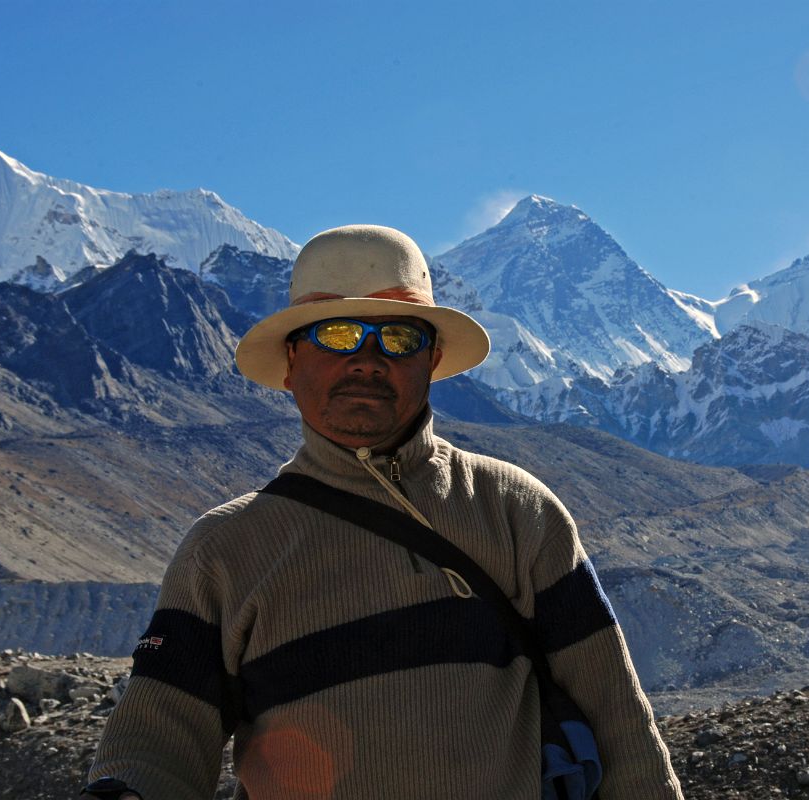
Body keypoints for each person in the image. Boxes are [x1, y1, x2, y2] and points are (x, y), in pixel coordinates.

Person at [84, 225, 684, 799]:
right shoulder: (226, 549)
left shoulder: (515, 510)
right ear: (292, 364)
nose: (368, 360)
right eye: (337, 335)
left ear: (432, 363)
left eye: (398, 338)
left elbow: (616, 714)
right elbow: (159, 736)